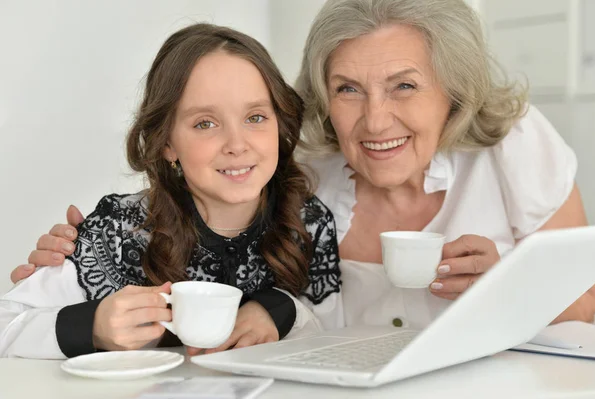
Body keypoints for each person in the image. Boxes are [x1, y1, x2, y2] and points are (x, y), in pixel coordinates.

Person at [12, 0, 595, 329]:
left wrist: (508, 285)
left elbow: (588, 299)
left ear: (452, 90)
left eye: (403, 86)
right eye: (347, 89)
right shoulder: (299, 172)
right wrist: (79, 263)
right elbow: (219, 252)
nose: (374, 121)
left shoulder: (512, 144)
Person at [0, 23, 341, 359]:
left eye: (255, 117)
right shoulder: (120, 231)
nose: (237, 145)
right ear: (166, 143)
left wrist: (281, 310)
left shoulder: (306, 223)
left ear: (280, 121)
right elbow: (6, 324)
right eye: (205, 123)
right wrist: (91, 327)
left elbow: (336, 343)